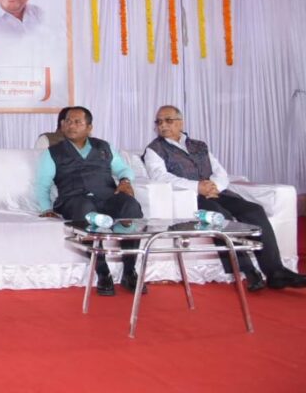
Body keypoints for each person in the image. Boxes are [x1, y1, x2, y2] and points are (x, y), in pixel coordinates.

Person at [144, 105, 306, 290]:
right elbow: (160, 177)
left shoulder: (199, 145)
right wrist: (198, 187)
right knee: (221, 217)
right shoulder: (154, 149)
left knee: (254, 210)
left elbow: (220, 172)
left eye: (168, 120)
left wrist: (214, 186)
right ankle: (248, 271)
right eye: (159, 122)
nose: (163, 125)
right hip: (191, 198)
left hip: (217, 192)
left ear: (181, 123)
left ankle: (276, 272)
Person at [34, 107, 143, 297]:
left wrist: (125, 181)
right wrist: (46, 208)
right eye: (67, 121)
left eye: (77, 122)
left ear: (89, 127)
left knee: (130, 206)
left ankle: (129, 271)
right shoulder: (52, 153)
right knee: (85, 209)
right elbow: (42, 186)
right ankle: (103, 272)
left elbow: (124, 170)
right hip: (73, 200)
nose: (71, 125)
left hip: (107, 197)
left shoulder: (104, 147)